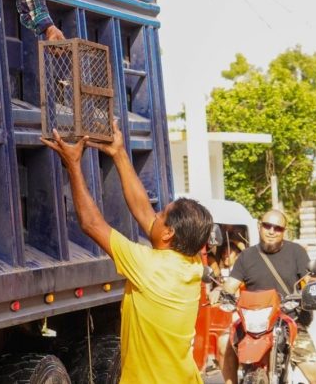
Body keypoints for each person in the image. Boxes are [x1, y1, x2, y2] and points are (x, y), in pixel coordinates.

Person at [42, 119, 213, 384]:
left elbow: (91, 223)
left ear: (169, 233)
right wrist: (119, 153)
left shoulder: (150, 267)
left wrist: (74, 165)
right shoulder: (189, 263)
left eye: (162, 214)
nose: (154, 214)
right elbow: (144, 212)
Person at [221, 209, 316, 384]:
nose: (271, 231)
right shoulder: (247, 256)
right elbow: (231, 285)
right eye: (267, 226)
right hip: (252, 322)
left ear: (284, 231)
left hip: (288, 318)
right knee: (223, 343)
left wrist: (312, 289)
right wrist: (221, 293)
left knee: (315, 374)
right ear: (260, 227)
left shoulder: (296, 252)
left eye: (277, 228)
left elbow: (309, 281)